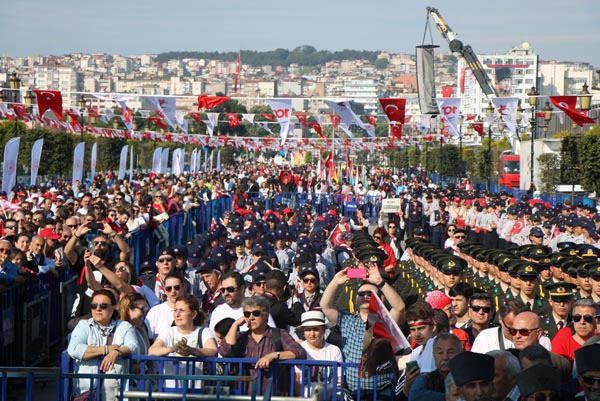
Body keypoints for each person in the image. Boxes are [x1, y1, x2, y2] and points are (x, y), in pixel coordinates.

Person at [320, 263, 406, 400]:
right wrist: (335, 281)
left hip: (382, 392)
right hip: (355, 393)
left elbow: (399, 307)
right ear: (356, 298)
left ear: (380, 298)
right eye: (362, 293)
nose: (366, 296)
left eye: (371, 294)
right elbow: (326, 306)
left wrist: (380, 282)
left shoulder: (385, 321)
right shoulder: (347, 320)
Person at [219, 296, 307, 395]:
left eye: (256, 313)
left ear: (266, 316)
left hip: (274, 395)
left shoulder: (279, 334)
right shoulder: (240, 337)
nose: (251, 318)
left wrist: (273, 356)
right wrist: (235, 324)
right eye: (247, 314)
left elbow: (299, 352)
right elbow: (224, 351)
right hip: (244, 395)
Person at [67, 289, 139, 401]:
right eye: (94, 305)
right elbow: (74, 349)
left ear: (113, 307)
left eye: (103, 306)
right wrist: (106, 349)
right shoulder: (83, 325)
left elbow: (133, 346)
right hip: (87, 392)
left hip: (116, 393)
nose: (98, 309)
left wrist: (117, 352)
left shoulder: (124, 326)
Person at [149, 294, 218, 389]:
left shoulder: (204, 331)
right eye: (175, 310)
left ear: (193, 314)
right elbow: (152, 351)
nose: (177, 315)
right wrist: (172, 348)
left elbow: (213, 350)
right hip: (171, 390)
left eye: (181, 310)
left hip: (196, 391)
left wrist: (192, 351)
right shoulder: (168, 332)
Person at [294, 311, 343, 398]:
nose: (312, 334)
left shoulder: (335, 350)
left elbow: (339, 380)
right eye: (308, 329)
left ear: (323, 330)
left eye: (316, 329)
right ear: (303, 332)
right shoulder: (299, 349)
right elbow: (297, 378)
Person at [407, 333, 462, 401]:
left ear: (460, 354)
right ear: (434, 355)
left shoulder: (468, 378)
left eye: (450, 352)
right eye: (440, 352)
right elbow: (415, 396)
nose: (445, 357)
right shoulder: (426, 379)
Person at [552, 298, 598, 363]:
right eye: (577, 318)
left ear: (596, 320)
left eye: (588, 318)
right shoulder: (563, 338)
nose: (582, 322)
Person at [146, 273, 185, 339]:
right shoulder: (155, 311)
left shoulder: (192, 310)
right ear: (165, 290)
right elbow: (147, 337)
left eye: (177, 287)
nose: (173, 291)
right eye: (169, 288)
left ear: (183, 288)